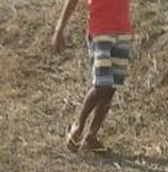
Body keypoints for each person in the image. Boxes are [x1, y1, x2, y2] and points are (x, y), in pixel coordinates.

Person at [51, 0, 132, 154]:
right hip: (100, 31)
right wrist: (59, 29)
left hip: (123, 32)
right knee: (101, 85)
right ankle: (77, 126)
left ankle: (91, 136)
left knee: (111, 87)